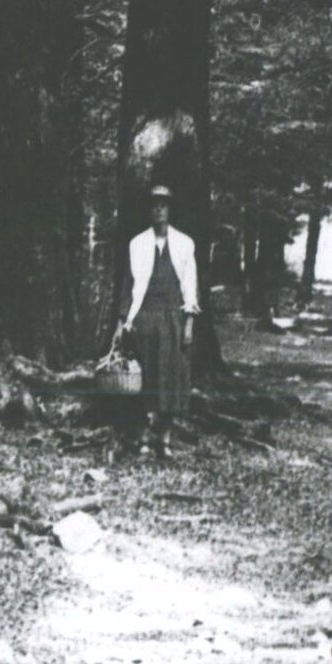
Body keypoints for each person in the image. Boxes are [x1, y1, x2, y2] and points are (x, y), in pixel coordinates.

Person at [115, 182, 200, 460]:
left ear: (170, 209)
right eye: (154, 205)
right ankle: (141, 439)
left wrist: (189, 324)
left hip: (172, 320)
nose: (159, 209)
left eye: (163, 204)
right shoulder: (137, 244)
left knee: (171, 380)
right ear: (149, 210)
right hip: (143, 319)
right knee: (143, 380)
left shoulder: (185, 244)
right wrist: (121, 323)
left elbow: (190, 285)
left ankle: (164, 440)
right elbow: (128, 286)